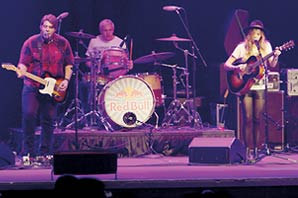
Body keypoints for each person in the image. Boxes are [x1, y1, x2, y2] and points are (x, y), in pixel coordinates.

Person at [17, 14, 74, 159]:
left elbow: (69, 64)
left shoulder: (63, 43)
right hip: (32, 85)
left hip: (53, 86)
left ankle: (45, 152)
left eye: (50, 27)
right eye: (45, 26)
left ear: (55, 29)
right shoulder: (31, 42)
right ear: (40, 27)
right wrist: (21, 70)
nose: (47, 30)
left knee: (48, 119)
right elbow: (23, 62)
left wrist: (66, 80)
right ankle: (28, 152)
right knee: (29, 115)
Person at [223, 19, 281, 158]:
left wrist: (276, 56)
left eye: (259, 32)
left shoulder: (266, 47)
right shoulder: (242, 47)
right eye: (254, 31)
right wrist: (237, 67)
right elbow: (227, 65)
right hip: (245, 87)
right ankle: (247, 149)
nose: (256, 34)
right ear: (249, 33)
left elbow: (272, 64)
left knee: (257, 118)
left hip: (260, 86)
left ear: (262, 34)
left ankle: (257, 148)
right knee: (248, 118)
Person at [79, 18, 133, 125]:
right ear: (100, 30)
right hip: (99, 75)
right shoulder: (94, 41)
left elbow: (125, 65)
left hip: (115, 77)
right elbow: (87, 62)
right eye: (105, 30)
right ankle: (90, 118)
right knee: (83, 84)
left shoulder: (119, 42)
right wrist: (95, 67)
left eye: (110, 30)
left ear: (113, 30)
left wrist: (129, 66)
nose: (107, 33)